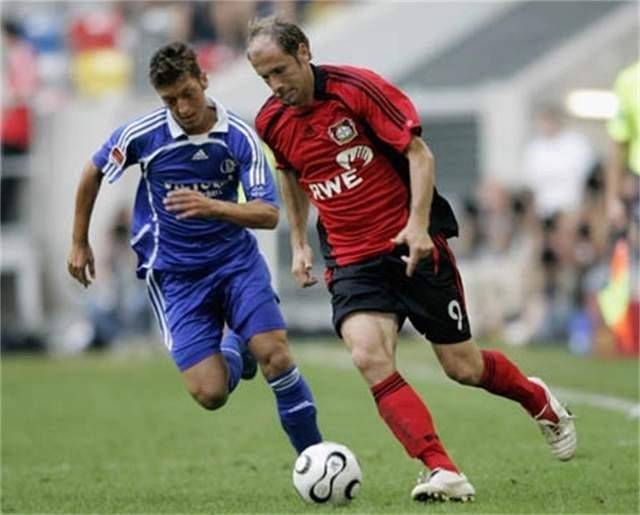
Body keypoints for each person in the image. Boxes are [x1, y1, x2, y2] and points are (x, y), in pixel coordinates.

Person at [246, 17, 577, 502]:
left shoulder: (357, 89)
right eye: (264, 78)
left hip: (410, 245)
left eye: (280, 70)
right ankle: (441, 467)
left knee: (463, 367)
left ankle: (536, 398)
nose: (275, 85)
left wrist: (418, 225)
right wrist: (299, 242)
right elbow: (290, 175)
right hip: (351, 259)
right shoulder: (271, 121)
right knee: (367, 355)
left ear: (303, 51)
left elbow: (419, 155)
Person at [67, 41, 322, 456]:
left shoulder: (239, 136)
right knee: (210, 393)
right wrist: (79, 242)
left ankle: (315, 458)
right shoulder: (143, 134)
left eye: (188, 94)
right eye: (171, 100)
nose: (183, 108)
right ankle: (236, 345)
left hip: (236, 265)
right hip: (176, 275)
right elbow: (93, 170)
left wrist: (212, 207)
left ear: (203, 80)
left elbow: (268, 213)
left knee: (276, 356)